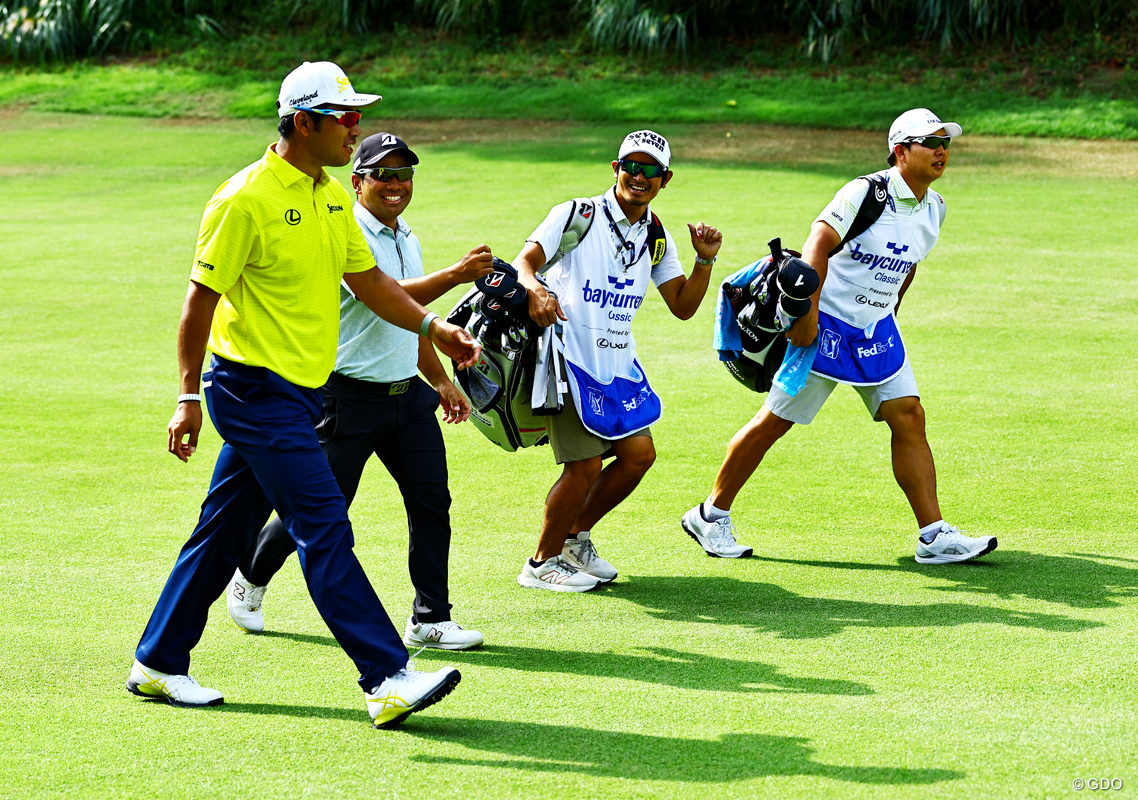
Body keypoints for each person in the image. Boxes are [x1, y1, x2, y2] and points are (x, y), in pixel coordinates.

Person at [126, 61, 481, 730]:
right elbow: (200, 301)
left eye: (356, 117)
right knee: (324, 524)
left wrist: (434, 328)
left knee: (224, 533)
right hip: (250, 390)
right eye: (344, 118)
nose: (355, 129)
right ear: (304, 123)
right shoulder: (244, 198)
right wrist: (186, 397)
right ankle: (387, 677)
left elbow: (372, 284)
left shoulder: (331, 196)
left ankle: (157, 661)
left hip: (300, 393)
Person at [682, 108, 998, 565]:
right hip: (824, 324)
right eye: (930, 143)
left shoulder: (936, 208)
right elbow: (817, 245)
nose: (941, 151)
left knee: (909, 415)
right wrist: (805, 316)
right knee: (775, 421)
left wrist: (891, 311)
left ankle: (933, 536)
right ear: (900, 151)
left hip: (875, 329)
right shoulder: (864, 192)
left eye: (945, 143)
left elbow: (907, 266)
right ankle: (709, 515)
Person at [226, 131, 492, 650]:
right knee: (324, 506)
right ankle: (250, 576)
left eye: (404, 175)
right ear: (358, 182)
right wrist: (457, 275)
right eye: (383, 175)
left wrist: (439, 381)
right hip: (346, 398)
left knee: (431, 502)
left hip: (406, 399)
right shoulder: (344, 231)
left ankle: (431, 617)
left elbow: (410, 317)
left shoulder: (406, 236)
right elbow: (381, 296)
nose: (396, 184)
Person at [512, 130, 723, 591]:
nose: (639, 176)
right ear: (616, 169)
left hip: (616, 364)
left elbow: (682, 305)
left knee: (638, 455)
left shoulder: (656, 234)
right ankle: (541, 562)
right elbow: (523, 264)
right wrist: (536, 291)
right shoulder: (577, 214)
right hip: (566, 358)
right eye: (631, 166)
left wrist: (704, 261)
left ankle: (573, 539)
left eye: (651, 170)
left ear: (666, 179)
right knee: (585, 465)